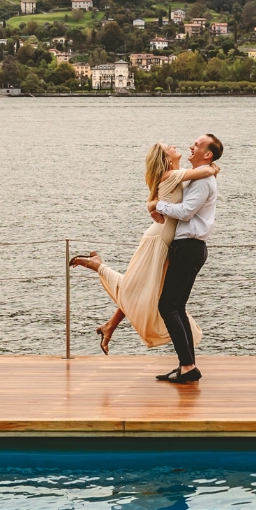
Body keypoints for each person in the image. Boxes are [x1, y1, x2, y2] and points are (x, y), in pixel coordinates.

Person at [69, 141, 218, 354]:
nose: (176, 146)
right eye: (170, 147)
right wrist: (213, 167)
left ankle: (109, 325)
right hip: (157, 240)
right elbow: (202, 173)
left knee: (143, 288)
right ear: (166, 159)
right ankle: (98, 266)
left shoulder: (176, 175)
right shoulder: (172, 176)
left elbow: (196, 180)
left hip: (164, 239)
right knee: (137, 287)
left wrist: (154, 204)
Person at [150, 133, 222, 385]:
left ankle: (188, 366)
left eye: (197, 145)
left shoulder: (203, 181)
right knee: (176, 307)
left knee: (167, 306)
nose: (191, 146)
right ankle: (187, 366)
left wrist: (158, 205)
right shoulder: (198, 176)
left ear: (208, 154)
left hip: (190, 246)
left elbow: (185, 211)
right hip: (186, 246)